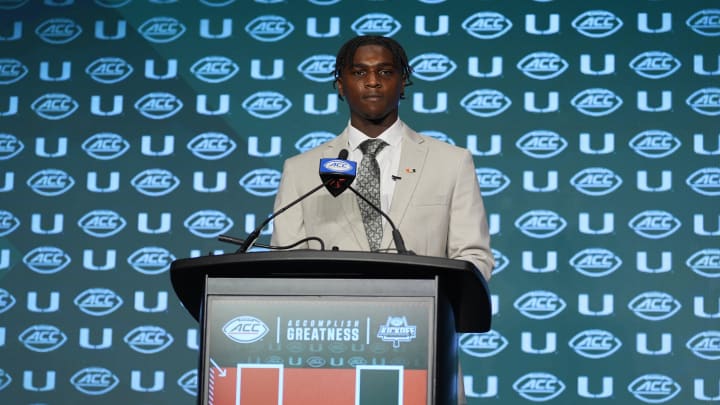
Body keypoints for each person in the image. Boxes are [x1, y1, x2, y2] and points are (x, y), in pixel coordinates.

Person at [271, 35, 494, 404]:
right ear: (340, 84)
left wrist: (428, 303)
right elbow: (284, 263)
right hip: (328, 355)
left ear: (403, 80)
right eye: (359, 72)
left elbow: (474, 257)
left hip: (422, 345)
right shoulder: (302, 170)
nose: (372, 81)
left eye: (385, 71)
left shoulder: (451, 162)